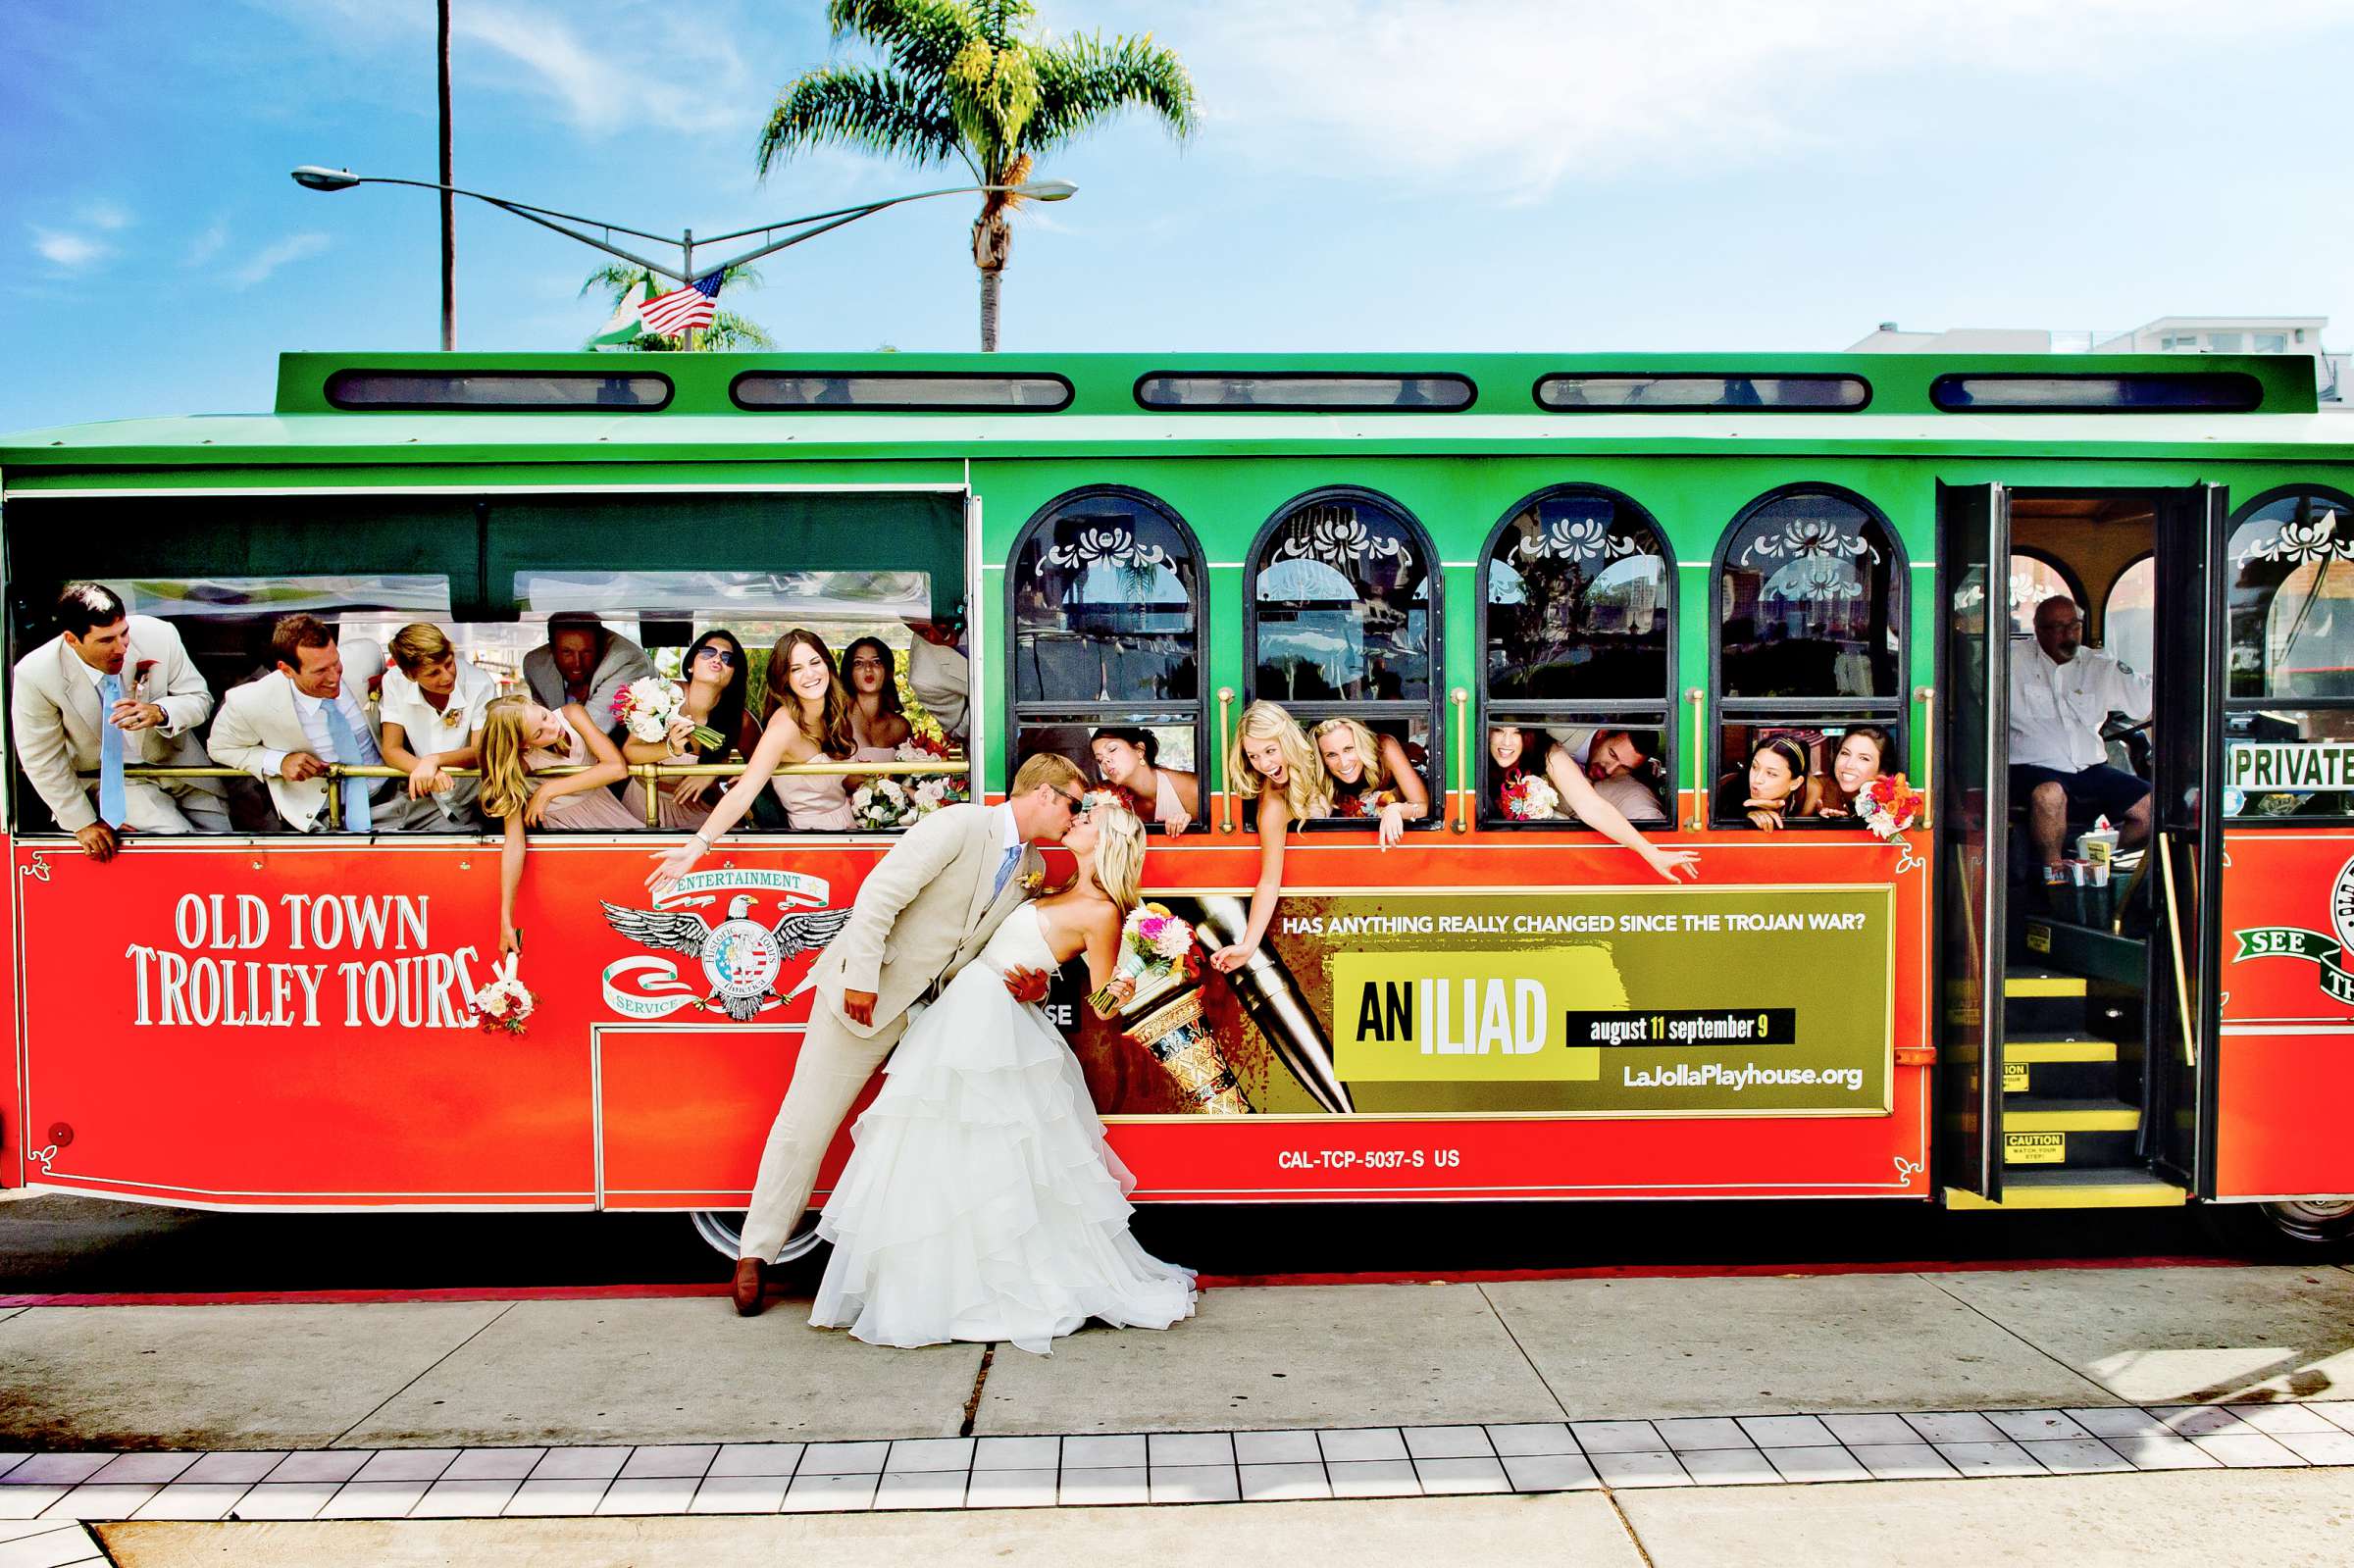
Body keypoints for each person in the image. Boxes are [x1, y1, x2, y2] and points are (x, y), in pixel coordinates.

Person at [676, 752, 1092, 1316]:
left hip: (940, 1019)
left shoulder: (1035, 866)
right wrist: (862, 978)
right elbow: (879, 896)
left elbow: (1006, 949)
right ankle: (756, 1255)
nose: (1076, 815)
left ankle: (911, 1278)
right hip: (866, 1000)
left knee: (932, 1142)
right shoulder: (959, 824)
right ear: (1044, 793)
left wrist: (1035, 988)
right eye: (1073, 802)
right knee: (807, 1123)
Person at [809, 793, 1197, 1352]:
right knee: (943, 1144)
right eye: (1080, 812)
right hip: (971, 1008)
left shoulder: (1103, 912)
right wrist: (1043, 984)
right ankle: (945, 1284)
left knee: (992, 1148)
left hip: (994, 1024)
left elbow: (1105, 1004)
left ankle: (991, 1290)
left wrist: (1140, 975)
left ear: (1109, 842)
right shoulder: (1052, 884)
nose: (1079, 818)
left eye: (1091, 820)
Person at [10, 582, 228, 859]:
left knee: (226, 846)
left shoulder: (160, 635)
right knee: (178, 846)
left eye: (123, 633)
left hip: (182, 768)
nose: (121, 647)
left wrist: (160, 712)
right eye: (105, 640)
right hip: (110, 781)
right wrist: (83, 823)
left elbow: (200, 699)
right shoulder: (35, 673)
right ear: (71, 639)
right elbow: (41, 758)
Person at [208, 615, 406, 834]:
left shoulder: (365, 656)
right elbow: (219, 747)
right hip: (319, 820)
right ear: (286, 670)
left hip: (396, 797)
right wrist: (279, 762)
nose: (334, 677)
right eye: (320, 671)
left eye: (336, 663)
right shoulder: (248, 701)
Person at [2010, 594, 2153, 876]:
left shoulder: (2098, 664)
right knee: (2049, 794)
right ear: (2038, 631)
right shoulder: (2011, 661)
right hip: (2030, 768)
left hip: (2089, 769)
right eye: (2058, 628)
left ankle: (2086, 855)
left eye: (2074, 626)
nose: (2069, 635)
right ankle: (2055, 875)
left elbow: (2144, 701)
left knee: (2149, 809)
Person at [480, 694, 635, 954]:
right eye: (539, 733)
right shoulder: (521, 764)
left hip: (611, 815)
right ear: (525, 747)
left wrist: (548, 791)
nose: (552, 727)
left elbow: (617, 767)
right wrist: (506, 917)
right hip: (569, 836)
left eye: (543, 715)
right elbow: (514, 843)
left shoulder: (572, 714)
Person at [1208, 701, 1329, 974]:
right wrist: (1248, 945)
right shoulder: (1273, 807)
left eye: (1270, 751)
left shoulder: (1315, 758)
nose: (1264, 764)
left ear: (1287, 741)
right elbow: (1269, 879)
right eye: (1253, 756)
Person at [619, 629, 755, 832]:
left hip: (694, 808)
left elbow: (766, 766)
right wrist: (671, 748)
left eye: (728, 658)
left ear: (734, 674)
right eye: (708, 652)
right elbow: (629, 752)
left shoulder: (741, 720)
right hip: (644, 802)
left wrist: (712, 774)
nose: (717, 659)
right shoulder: (664, 694)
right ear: (691, 664)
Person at [376, 623, 500, 831]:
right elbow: (391, 749)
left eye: (449, 664)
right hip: (427, 799)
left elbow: (481, 751)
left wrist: (433, 761)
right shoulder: (393, 681)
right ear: (410, 675)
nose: (447, 676)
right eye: (433, 673)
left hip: (475, 799)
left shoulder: (480, 682)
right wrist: (426, 770)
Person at [522, 612, 656, 739]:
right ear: (551, 648)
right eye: (567, 652)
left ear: (600, 645)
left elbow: (586, 734)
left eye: (587, 652)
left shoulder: (627, 661)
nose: (577, 663)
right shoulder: (535, 665)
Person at [1311, 716, 1428, 847]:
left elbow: (1423, 806)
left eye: (1349, 749)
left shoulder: (1385, 749)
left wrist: (1397, 809)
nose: (1343, 763)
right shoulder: (1319, 772)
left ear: (1362, 743)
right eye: (1331, 754)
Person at [1091, 726, 1200, 838]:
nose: (1105, 761)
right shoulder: (1103, 794)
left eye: (1112, 749)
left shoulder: (1190, 788)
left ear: (1139, 750)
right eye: (1099, 759)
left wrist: (1187, 822)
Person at [1716, 734, 1819, 831]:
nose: (1757, 779)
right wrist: (1747, 816)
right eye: (1754, 767)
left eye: (1771, 773)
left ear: (1796, 783)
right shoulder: (1727, 788)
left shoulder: (1810, 792)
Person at [904, 617, 969, 746]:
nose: (939, 635)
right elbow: (960, 732)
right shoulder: (924, 677)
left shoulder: (983, 603)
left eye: (940, 623)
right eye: (925, 632)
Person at [843, 636, 913, 753]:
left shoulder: (899, 727)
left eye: (877, 661)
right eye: (858, 663)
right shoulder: (837, 719)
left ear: (889, 672)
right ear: (849, 674)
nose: (868, 668)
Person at [1817, 725, 1895, 818]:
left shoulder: (1892, 799)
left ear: (1882, 771)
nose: (1849, 765)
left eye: (1864, 758)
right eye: (1845, 753)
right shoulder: (1818, 789)